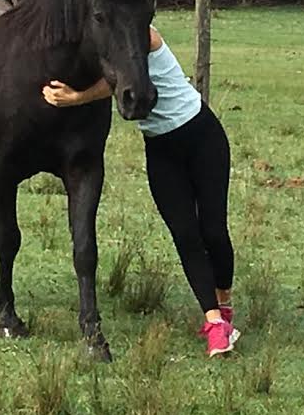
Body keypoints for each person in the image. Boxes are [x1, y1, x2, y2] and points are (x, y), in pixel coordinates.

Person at [42, 26, 239, 357]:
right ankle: (215, 323)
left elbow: (118, 79)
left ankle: (224, 303)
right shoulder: (111, 38)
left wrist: (77, 98)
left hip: (202, 135)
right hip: (161, 150)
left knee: (213, 231)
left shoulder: (144, 37)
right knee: (185, 235)